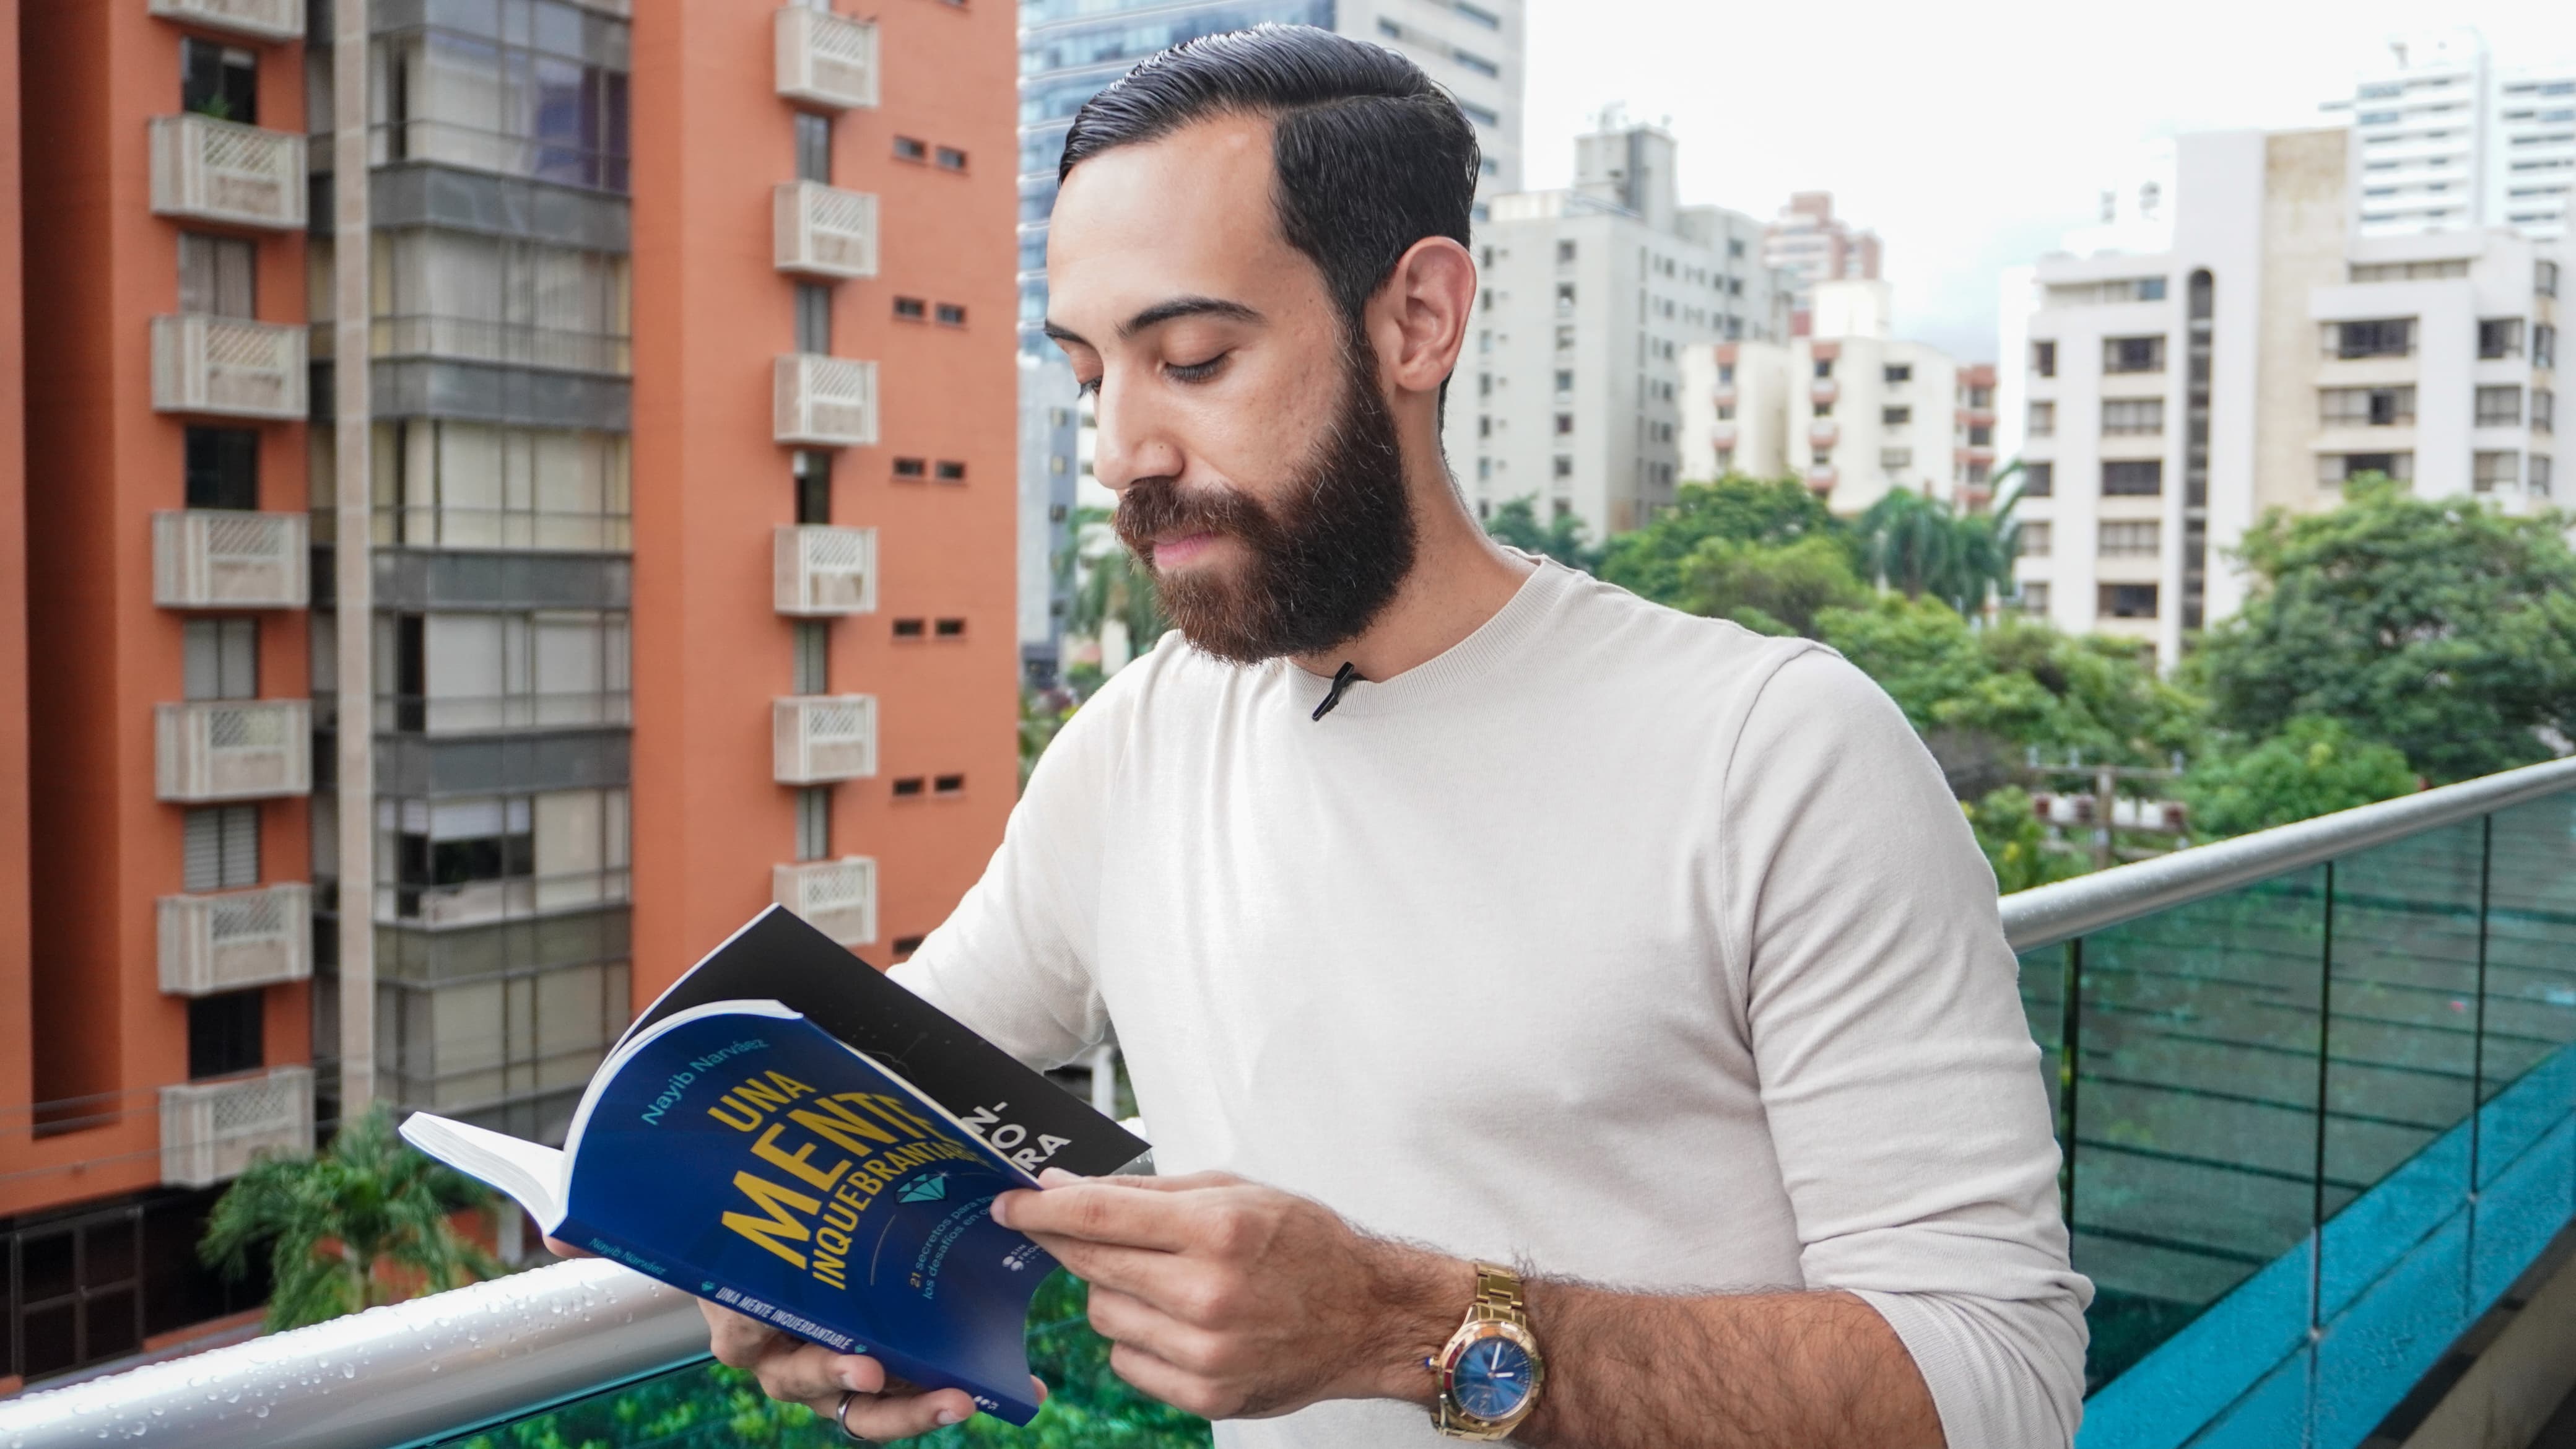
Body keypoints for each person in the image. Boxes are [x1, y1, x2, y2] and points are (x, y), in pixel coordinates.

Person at [696, 24, 2088, 1447]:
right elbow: (879, 1098)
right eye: (1088, 375)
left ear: (1416, 319)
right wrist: (778, 1265)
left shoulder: (1774, 751)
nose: (1121, 450)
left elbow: (1998, 1387)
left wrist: (1397, 1322)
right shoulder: (1134, 748)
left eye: (1191, 356)